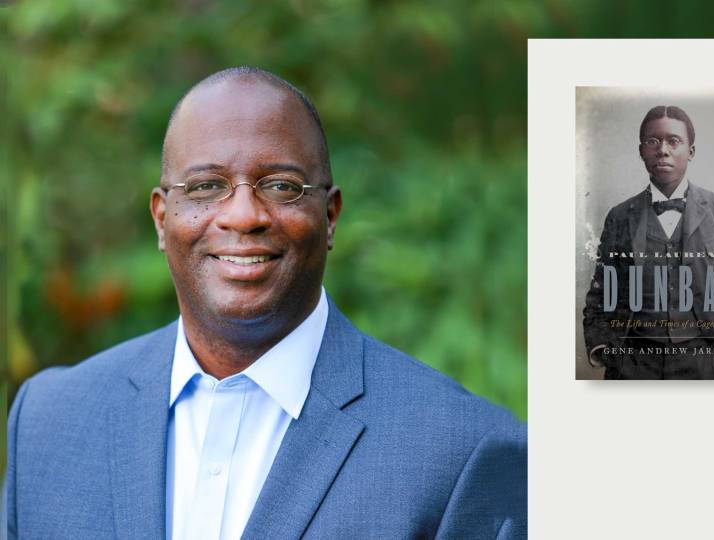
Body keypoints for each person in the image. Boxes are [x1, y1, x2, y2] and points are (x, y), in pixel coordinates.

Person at [4, 67, 526, 539]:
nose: (243, 215)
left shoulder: (464, 452)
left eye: (281, 186)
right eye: (207, 186)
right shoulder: (49, 424)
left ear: (331, 216)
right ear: (163, 219)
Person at [582, 105, 714, 380]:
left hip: (710, 365)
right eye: (653, 141)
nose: (663, 150)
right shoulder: (620, 217)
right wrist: (609, 352)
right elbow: (599, 295)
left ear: (690, 152)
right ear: (641, 151)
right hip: (635, 368)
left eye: (673, 141)